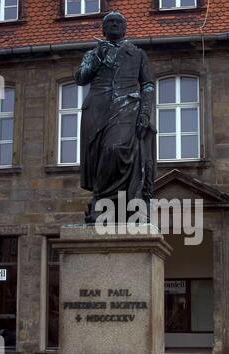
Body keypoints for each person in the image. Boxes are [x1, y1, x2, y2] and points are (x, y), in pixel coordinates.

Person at [75, 11, 156, 223]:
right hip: (97, 109)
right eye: (109, 22)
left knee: (116, 149)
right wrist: (98, 57)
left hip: (127, 106)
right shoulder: (93, 54)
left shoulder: (137, 54)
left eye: (118, 22)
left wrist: (145, 112)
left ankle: (120, 202)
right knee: (99, 155)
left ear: (124, 28)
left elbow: (147, 84)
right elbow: (81, 78)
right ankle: (101, 203)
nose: (114, 24)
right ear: (103, 29)